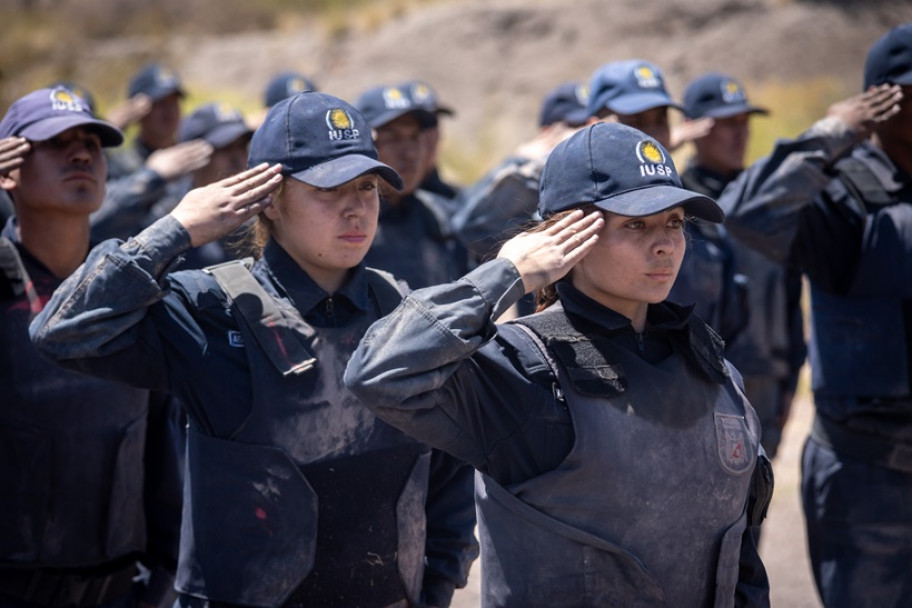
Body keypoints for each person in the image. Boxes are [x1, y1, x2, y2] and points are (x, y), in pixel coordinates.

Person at [30, 91, 478, 608]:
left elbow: (449, 475)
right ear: (268, 196)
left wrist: (436, 589)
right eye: (329, 189)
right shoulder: (209, 307)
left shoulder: (405, 313)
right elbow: (59, 332)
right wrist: (174, 231)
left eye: (368, 186)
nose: (355, 207)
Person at [345, 121, 772, 608]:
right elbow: (377, 374)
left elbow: (737, 558)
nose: (666, 244)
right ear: (568, 235)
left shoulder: (709, 366)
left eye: (674, 222)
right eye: (636, 224)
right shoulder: (524, 369)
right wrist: (506, 274)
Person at [719, 23, 911, 607]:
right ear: (883, 101)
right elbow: (744, 214)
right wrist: (832, 133)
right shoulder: (842, 195)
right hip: (870, 479)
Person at [0, 85, 182, 608]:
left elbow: (163, 456)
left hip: (121, 589)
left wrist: (163, 583)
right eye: (55, 142)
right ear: (8, 170)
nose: (82, 154)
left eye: (93, 144)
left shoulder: (130, 293)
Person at [681, 72, 806, 459]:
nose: (741, 134)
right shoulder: (674, 206)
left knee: (755, 508)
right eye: (726, 124)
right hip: (697, 383)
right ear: (697, 129)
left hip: (765, 382)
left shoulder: (768, 205)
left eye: (744, 123)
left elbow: (789, 294)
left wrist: (789, 382)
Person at [355, 84, 469, 289]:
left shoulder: (442, 216)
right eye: (393, 138)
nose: (409, 153)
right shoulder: (346, 220)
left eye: (415, 137)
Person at [94, 63, 213, 242]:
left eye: (174, 101)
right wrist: (109, 129)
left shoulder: (194, 156)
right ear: (138, 110)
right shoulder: (119, 163)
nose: (169, 111)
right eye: (159, 103)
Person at [158, 101, 254, 269]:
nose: (238, 159)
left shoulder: (262, 212)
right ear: (192, 158)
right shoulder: (167, 219)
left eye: (242, 147)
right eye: (225, 148)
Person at [400, 80, 460, 202]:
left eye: (433, 123)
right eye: (419, 126)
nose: (429, 136)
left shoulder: (457, 200)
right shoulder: (373, 203)